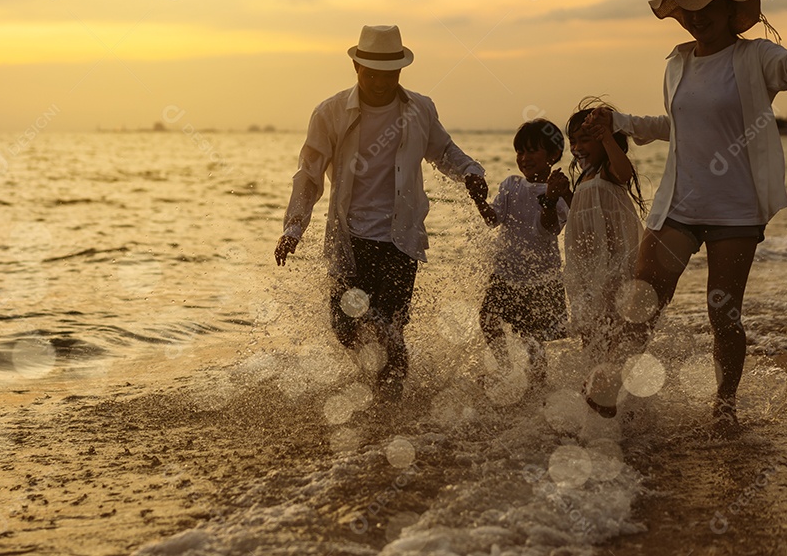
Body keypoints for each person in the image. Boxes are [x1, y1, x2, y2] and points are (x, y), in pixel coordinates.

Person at [589, 0, 787, 429]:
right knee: (641, 300)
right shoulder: (678, 62)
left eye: (707, 7)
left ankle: (724, 407)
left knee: (723, 316)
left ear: (728, 9)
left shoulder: (756, 58)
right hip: (678, 202)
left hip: (735, 210)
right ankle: (608, 390)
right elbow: (677, 128)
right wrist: (621, 122)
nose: (696, 17)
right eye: (689, 8)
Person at [274, 24, 487, 399]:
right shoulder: (331, 112)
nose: (378, 82)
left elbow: (443, 151)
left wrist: (470, 172)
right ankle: (382, 376)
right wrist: (293, 228)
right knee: (345, 327)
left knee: (390, 328)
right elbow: (309, 176)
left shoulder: (420, 108)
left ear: (400, 72)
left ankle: (388, 403)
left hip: (399, 240)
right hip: (350, 239)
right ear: (356, 69)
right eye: (371, 73)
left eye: (387, 75)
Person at [468, 119, 569, 389]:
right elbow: (493, 219)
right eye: (520, 152)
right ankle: (504, 366)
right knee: (487, 319)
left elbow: (546, 230)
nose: (524, 158)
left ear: (553, 155)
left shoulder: (558, 193)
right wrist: (479, 199)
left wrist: (549, 198)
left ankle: (537, 387)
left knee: (532, 338)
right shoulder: (511, 184)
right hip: (506, 272)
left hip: (539, 278)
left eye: (532, 151)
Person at [562, 99, 645, 418]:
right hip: (584, 270)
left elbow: (626, 173)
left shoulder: (610, 170)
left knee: (611, 324)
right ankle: (600, 393)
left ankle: (609, 389)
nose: (577, 147)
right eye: (573, 141)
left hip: (612, 267)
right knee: (589, 330)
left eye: (585, 139)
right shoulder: (582, 178)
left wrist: (609, 137)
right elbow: (582, 219)